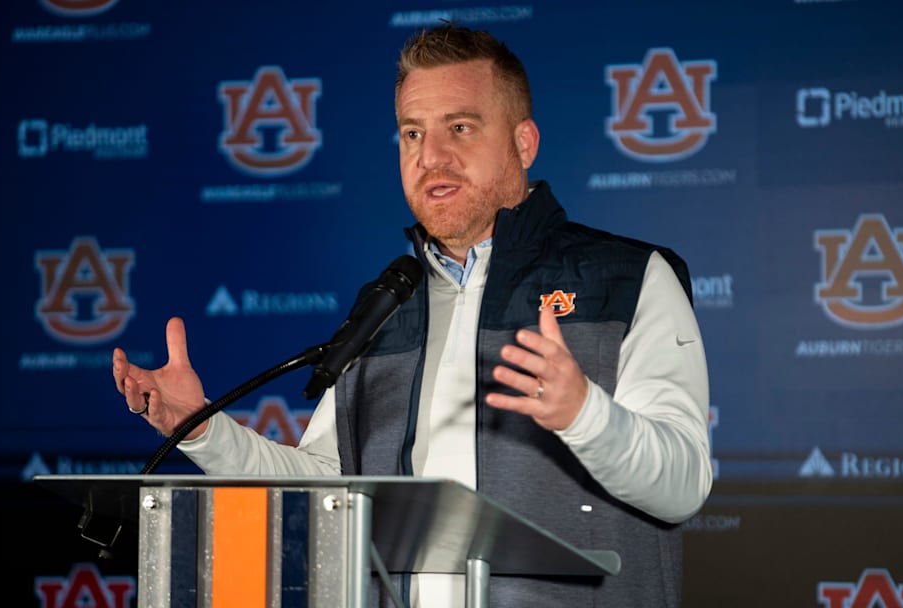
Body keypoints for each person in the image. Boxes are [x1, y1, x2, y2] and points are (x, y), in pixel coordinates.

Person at [113, 24, 711, 608]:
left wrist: (585, 414)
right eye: (412, 133)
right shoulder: (387, 306)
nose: (431, 157)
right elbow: (326, 487)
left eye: (460, 128)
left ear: (524, 143)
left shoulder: (627, 279)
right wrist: (202, 430)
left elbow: (683, 486)